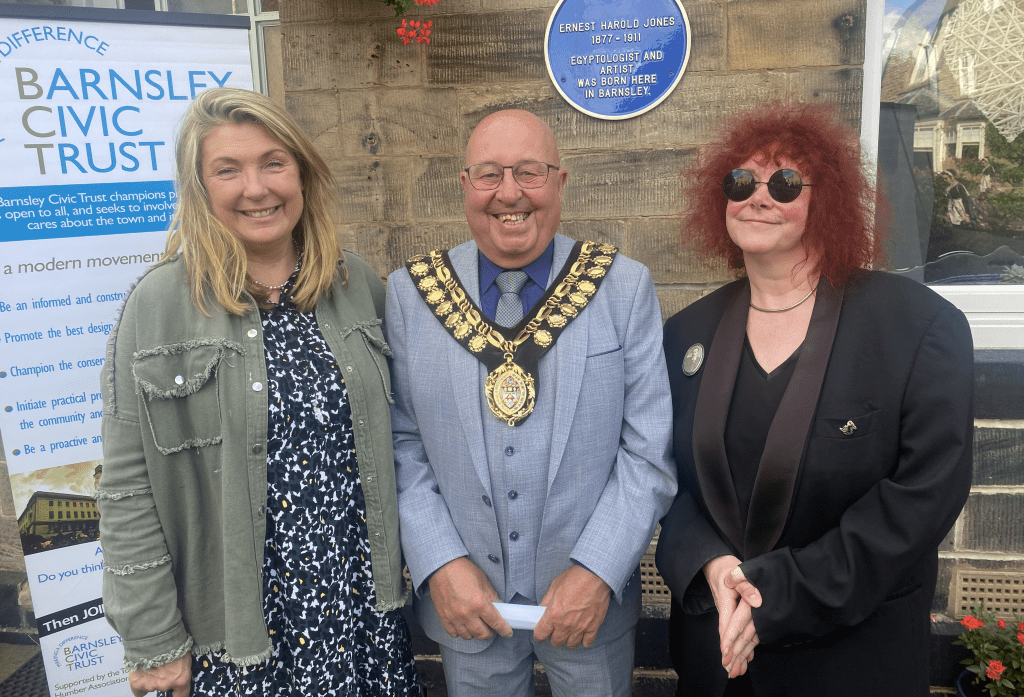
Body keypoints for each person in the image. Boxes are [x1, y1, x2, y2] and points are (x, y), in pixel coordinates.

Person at [97, 88, 419, 697]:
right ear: (199, 188)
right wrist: (152, 638)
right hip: (236, 635)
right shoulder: (158, 306)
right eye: (228, 170)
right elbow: (126, 489)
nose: (256, 188)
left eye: (274, 163)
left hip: (360, 615)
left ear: (302, 174)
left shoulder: (357, 285)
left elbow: (404, 442)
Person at [655, 102, 974, 697]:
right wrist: (710, 564)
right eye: (740, 182)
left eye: (784, 183)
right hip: (718, 659)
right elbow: (663, 476)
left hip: (850, 662)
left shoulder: (918, 326)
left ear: (826, 201)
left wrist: (778, 595)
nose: (758, 197)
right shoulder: (685, 334)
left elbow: (922, 499)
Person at [386, 109, 676, 696]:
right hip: (467, 604)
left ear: (560, 182)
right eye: (489, 174)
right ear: (465, 185)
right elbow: (399, 443)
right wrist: (440, 561)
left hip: (591, 608)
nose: (509, 193)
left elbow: (648, 451)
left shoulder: (622, 287)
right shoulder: (411, 294)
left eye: (529, 172)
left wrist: (596, 570)